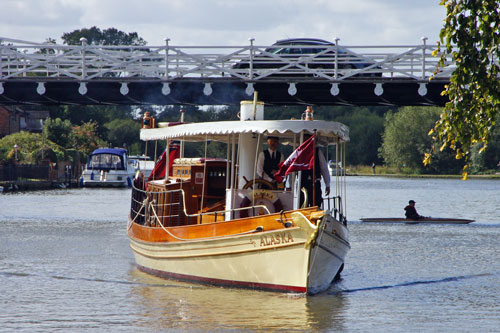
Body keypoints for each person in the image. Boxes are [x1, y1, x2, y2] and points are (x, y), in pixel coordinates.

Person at [300, 135, 330, 208]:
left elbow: (324, 168)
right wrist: (291, 186)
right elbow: (293, 171)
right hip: (303, 184)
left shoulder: (317, 152)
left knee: (316, 204)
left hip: (315, 183)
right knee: (302, 204)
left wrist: (327, 184)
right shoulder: (299, 152)